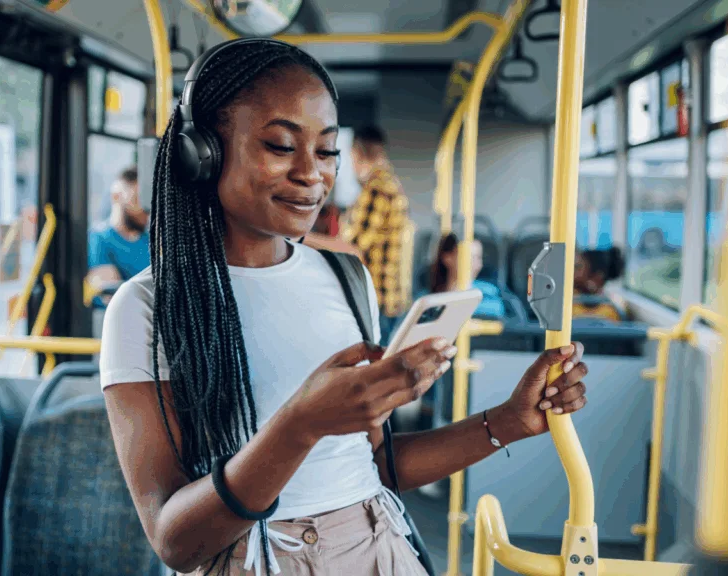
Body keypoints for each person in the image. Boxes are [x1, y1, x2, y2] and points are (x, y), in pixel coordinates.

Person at [99, 38, 591, 576]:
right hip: (257, 559)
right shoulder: (145, 308)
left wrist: (507, 422)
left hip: (378, 545)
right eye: (281, 146)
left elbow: (375, 465)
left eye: (328, 150)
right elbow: (174, 541)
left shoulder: (345, 276)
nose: (313, 174)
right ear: (203, 153)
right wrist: (300, 426)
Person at [341, 125, 411, 345]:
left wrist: (301, 239)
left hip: (378, 300)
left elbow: (352, 248)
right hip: (388, 300)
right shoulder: (388, 184)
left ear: (357, 152)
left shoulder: (378, 187)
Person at [87, 167, 150, 304]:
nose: (145, 210)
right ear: (116, 197)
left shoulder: (151, 242)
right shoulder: (99, 238)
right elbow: (112, 295)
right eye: (137, 200)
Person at [573, 247, 628, 321]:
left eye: (578, 268)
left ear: (596, 278)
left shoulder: (613, 311)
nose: (572, 273)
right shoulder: (568, 298)